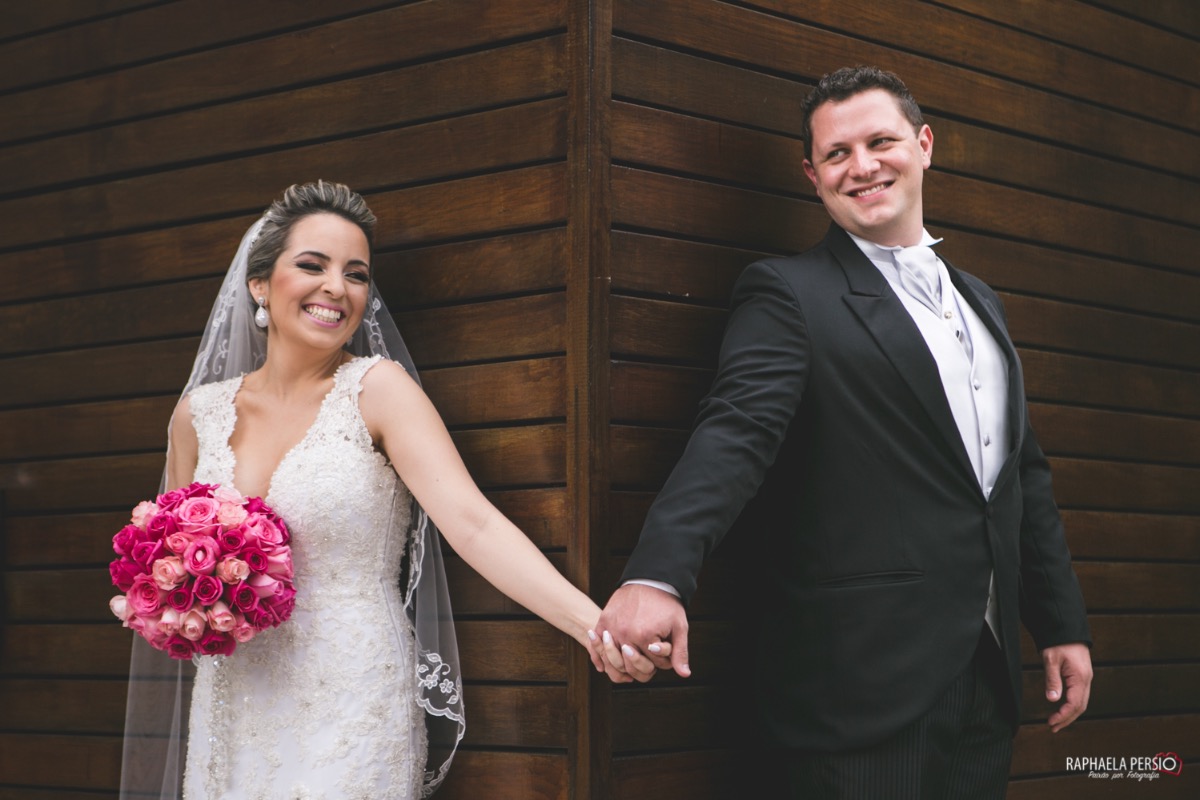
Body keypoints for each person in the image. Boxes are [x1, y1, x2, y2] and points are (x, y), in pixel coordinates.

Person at [593, 67, 1093, 797]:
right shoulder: (789, 293)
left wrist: (1059, 623)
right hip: (857, 688)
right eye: (836, 153)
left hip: (986, 677)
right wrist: (657, 574)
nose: (862, 166)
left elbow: (1020, 475)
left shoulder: (981, 301)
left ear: (924, 145)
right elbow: (735, 432)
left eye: (880, 141)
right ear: (812, 175)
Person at [119, 181, 655, 799]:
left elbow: (473, 524)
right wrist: (183, 598)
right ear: (259, 284)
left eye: (356, 274)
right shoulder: (198, 414)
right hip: (233, 703)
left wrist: (595, 627)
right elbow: (164, 556)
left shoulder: (378, 391)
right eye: (312, 265)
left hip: (351, 696)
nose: (336, 288)